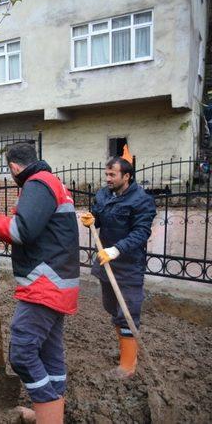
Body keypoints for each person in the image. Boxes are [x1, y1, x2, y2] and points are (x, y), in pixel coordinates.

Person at [0, 142, 79, 423]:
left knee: (22, 351)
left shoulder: (38, 184)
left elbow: (23, 231)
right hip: (58, 282)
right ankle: (50, 415)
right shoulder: (51, 183)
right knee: (50, 353)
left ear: (14, 168)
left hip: (46, 284)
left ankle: (48, 408)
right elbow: (36, 231)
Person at [80, 151, 156, 379]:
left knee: (128, 313)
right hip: (107, 264)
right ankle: (126, 346)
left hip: (128, 266)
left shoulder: (142, 201)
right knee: (112, 309)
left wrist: (117, 249)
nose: (108, 179)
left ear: (127, 176)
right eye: (106, 174)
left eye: (112, 175)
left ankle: (127, 365)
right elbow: (99, 219)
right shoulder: (104, 195)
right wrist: (92, 219)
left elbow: (141, 232)